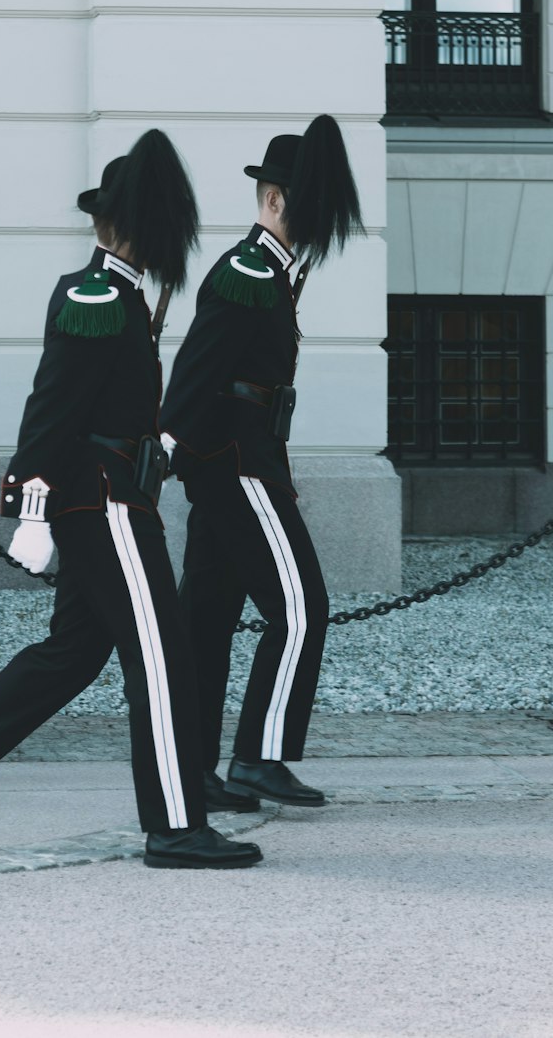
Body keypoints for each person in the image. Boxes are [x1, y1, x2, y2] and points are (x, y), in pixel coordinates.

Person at [0, 131, 262, 869]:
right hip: (104, 506)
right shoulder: (97, 295)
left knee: (73, 655)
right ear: (124, 227)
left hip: (118, 500)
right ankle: (175, 824)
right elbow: (51, 412)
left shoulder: (122, 297)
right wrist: (30, 509)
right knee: (162, 657)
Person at [161, 115, 362, 812]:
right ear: (274, 199)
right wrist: (175, 450)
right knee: (302, 610)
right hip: (236, 466)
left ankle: (191, 773)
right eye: (304, 207)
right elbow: (195, 375)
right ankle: (258, 757)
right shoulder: (250, 273)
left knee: (207, 622)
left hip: (240, 462)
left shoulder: (269, 273)